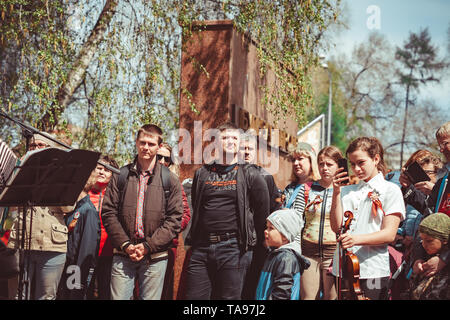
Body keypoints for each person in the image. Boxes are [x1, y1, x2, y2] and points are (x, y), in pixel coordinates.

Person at [184, 121, 270, 300]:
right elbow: (197, 207)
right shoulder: (202, 174)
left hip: (234, 249)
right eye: (225, 137)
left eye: (234, 138)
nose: (230, 141)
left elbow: (262, 213)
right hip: (202, 248)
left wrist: (252, 246)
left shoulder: (250, 174)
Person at [101, 124, 183, 300]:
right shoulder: (120, 175)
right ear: (136, 143)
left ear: (159, 146)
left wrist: (147, 246)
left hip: (155, 257)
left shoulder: (170, 180)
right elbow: (108, 213)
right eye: (142, 142)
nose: (146, 147)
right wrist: (125, 244)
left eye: (151, 144)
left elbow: (175, 220)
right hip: (123, 254)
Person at [330, 136, 406, 300]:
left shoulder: (390, 190)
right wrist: (336, 193)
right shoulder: (346, 191)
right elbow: (336, 227)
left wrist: (356, 239)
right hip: (343, 267)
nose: (356, 169)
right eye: (352, 164)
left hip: (372, 269)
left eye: (361, 162)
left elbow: (389, 234)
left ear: (376, 158)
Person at [7, 134, 70, 300]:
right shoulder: (18, 169)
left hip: (53, 245)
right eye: (32, 146)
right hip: (22, 241)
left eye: (41, 145)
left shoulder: (63, 172)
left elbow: (69, 207)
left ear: (49, 149)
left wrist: (57, 177)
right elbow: (9, 203)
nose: (36, 149)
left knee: (47, 296)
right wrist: (22, 171)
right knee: (19, 295)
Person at [400, 122, 450, 279]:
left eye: (445, 143)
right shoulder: (445, 179)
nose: (441, 149)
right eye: (439, 145)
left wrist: (444, 258)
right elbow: (428, 216)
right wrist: (419, 257)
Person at [238, 132, 283, 299]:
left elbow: (274, 210)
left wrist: (267, 238)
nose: (247, 152)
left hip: (258, 243)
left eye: (250, 149)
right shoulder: (229, 174)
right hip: (234, 243)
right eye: (243, 148)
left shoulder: (266, 176)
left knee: (252, 286)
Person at [300, 146, 342, 300]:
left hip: (334, 253)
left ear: (339, 165)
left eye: (329, 164)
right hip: (308, 252)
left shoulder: (347, 191)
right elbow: (298, 220)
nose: (324, 168)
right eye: (321, 164)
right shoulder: (307, 189)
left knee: (332, 298)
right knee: (308, 298)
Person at [58, 169, 101, 300]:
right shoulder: (75, 209)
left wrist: (77, 280)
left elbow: (87, 250)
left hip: (76, 270)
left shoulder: (88, 211)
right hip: (68, 268)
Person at [157, 143, 191, 300]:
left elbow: (185, 215)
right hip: (137, 246)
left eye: (167, 159)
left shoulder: (174, 183)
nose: (162, 161)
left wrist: (167, 233)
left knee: (161, 291)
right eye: (159, 157)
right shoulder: (135, 179)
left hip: (167, 245)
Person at [255, 209, 310, 300]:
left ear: (285, 236)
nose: (265, 231)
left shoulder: (286, 259)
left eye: (271, 228)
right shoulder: (276, 254)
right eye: (266, 227)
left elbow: (282, 292)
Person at [87, 155, 119, 300]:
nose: (102, 172)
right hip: (84, 254)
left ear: (113, 175)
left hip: (108, 255)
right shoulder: (82, 194)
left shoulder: (117, 197)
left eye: (107, 170)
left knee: (105, 293)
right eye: (99, 168)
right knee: (84, 292)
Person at [282, 142, 320, 247]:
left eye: (300, 159)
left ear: (311, 161)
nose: (295, 163)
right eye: (293, 160)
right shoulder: (289, 188)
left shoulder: (318, 189)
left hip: (305, 248)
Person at [408, 213, 450, 300]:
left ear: (445, 240)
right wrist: (417, 259)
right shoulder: (424, 257)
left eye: (429, 241)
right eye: (422, 240)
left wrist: (444, 259)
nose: (423, 244)